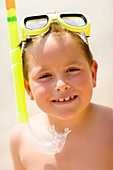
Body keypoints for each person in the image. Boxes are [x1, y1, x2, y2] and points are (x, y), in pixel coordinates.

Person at [9, 13, 113, 170]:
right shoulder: (20, 139)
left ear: (93, 74)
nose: (61, 84)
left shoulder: (110, 129)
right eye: (44, 76)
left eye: (72, 69)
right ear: (28, 88)